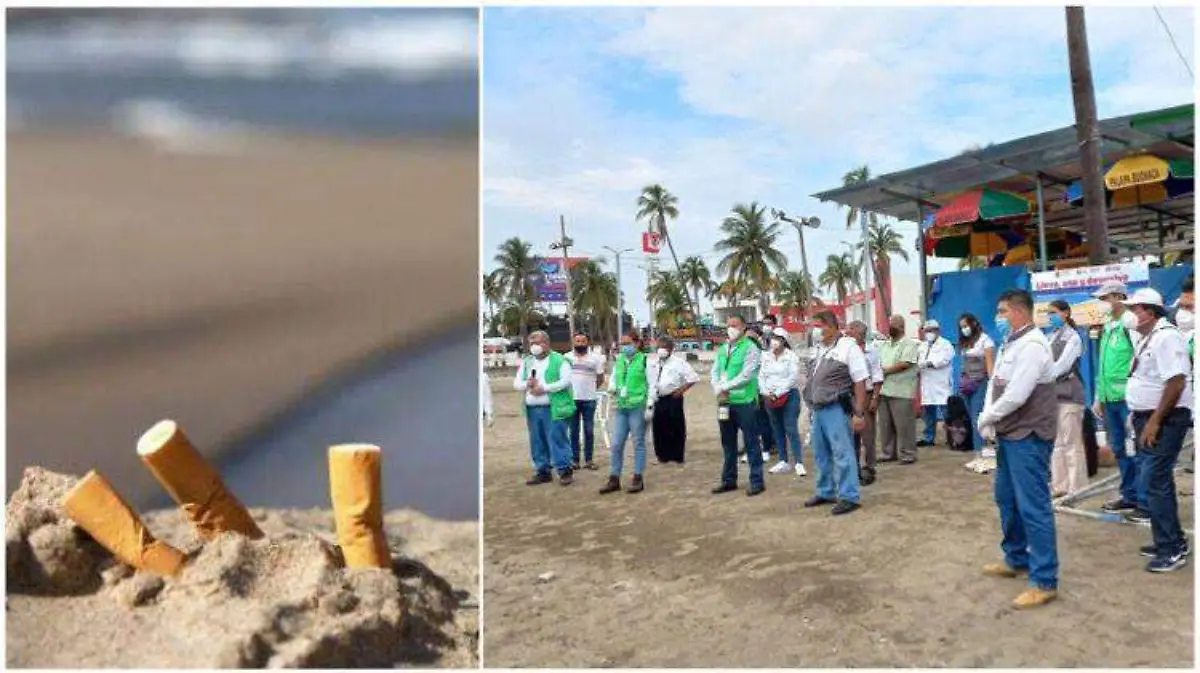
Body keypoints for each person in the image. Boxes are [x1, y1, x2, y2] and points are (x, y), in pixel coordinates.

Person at [976, 289, 1059, 609]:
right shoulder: (1012, 342)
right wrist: (988, 418)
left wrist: (987, 417)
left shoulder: (1034, 346)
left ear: (1019, 312)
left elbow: (1017, 395)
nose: (998, 318)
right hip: (1010, 434)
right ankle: (1016, 558)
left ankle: (1045, 580)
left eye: (1002, 312)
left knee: (1033, 506)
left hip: (1030, 435)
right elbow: (995, 385)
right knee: (1007, 499)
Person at [1123, 288, 1192, 572]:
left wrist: (1154, 421)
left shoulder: (1167, 337)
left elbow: (1176, 382)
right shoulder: (1148, 337)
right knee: (1158, 480)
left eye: (1134, 309)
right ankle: (1172, 539)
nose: (1130, 314)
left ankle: (1172, 549)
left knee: (1154, 480)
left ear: (1149, 312)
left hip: (1165, 418)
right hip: (1149, 417)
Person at [801, 311, 869, 515]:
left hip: (837, 408)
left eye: (818, 326)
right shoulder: (819, 349)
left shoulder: (848, 347)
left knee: (842, 452)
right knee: (821, 453)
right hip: (818, 409)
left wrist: (858, 413)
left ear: (831, 326)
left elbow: (860, 381)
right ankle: (826, 490)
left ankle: (850, 495)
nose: (815, 330)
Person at [1093, 281, 1148, 521]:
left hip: (1127, 398)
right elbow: (1104, 364)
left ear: (1117, 296)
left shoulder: (1129, 322)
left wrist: (1135, 392)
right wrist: (1098, 397)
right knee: (1120, 449)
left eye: (1105, 298)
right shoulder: (1108, 326)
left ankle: (1144, 501)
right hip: (1109, 398)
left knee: (1135, 448)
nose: (1102, 303)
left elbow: (1141, 357)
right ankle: (1129, 495)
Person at [711, 315, 766, 497]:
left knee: (751, 442)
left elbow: (747, 375)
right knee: (728, 443)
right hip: (725, 403)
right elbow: (715, 370)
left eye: (734, 325)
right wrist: (717, 387)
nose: (730, 329)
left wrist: (725, 386)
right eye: (728, 326)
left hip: (745, 402)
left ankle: (757, 481)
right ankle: (728, 480)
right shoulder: (723, 349)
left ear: (743, 327)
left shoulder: (750, 348)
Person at [513, 330, 576, 486]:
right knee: (537, 441)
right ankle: (543, 470)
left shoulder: (560, 360)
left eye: (538, 342)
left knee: (557, 439)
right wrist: (526, 384)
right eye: (532, 343)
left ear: (547, 343)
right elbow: (516, 383)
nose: (534, 346)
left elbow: (566, 381)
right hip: (533, 409)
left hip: (553, 407)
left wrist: (545, 388)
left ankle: (565, 470)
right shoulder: (527, 361)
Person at [600, 331, 653, 494]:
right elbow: (614, 379)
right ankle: (614, 477)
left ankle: (638, 477)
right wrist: (613, 388)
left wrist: (650, 405)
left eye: (628, 343)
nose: (624, 347)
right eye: (622, 343)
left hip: (638, 406)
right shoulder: (620, 361)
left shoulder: (645, 361)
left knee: (638, 442)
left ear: (637, 344)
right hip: (622, 407)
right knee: (616, 444)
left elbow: (652, 384)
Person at [1045, 300, 1088, 498]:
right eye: (1048, 313)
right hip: (1053, 395)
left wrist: (1041, 376)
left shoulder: (1074, 338)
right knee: (1057, 444)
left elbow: (1062, 366)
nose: (1050, 317)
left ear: (1065, 313)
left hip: (1070, 394)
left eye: (1053, 313)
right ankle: (1059, 485)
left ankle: (1076, 487)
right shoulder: (1050, 336)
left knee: (1071, 443)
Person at [759, 326, 806, 477]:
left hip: (788, 395)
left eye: (778, 339)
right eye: (773, 338)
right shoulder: (765, 356)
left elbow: (792, 378)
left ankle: (798, 462)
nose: (774, 342)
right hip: (770, 396)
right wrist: (766, 392)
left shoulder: (791, 356)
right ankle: (782, 460)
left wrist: (778, 393)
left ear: (784, 341)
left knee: (790, 427)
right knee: (776, 428)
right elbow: (761, 376)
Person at [877, 315, 920, 464]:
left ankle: (908, 454)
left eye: (894, 324)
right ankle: (888, 453)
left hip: (902, 390)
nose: (890, 327)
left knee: (904, 425)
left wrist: (885, 371)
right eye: (889, 324)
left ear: (902, 327)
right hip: (884, 389)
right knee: (885, 424)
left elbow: (905, 364)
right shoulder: (885, 345)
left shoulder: (910, 344)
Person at [958, 312, 997, 473]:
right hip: (967, 384)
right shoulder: (967, 342)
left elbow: (990, 366)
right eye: (961, 327)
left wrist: (993, 387)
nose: (964, 329)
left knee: (979, 419)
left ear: (974, 324)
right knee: (972, 420)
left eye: (966, 326)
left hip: (981, 383)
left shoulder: (985, 340)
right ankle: (977, 455)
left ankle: (985, 455)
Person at [651, 336, 699, 464]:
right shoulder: (654, 363)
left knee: (676, 426)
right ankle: (662, 455)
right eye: (659, 347)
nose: (661, 350)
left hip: (673, 397)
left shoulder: (679, 363)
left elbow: (693, 378)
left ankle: (677, 455)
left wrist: (680, 391)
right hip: (658, 398)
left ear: (671, 349)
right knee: (659, 426)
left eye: (664, 347)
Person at [847, 320, 883, 485]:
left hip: (867, 394)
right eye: (853, 331)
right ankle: (853, 467)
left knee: (868, 434)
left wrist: (875, 397)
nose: (854, 334)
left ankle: (870, 467)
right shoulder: (846, 351)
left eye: (858, 332)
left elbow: (877, 375)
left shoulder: (872, 351)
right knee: (851, 433)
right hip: (849, 395)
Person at [565, 332, 605, 471]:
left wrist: (590, 389)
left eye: (583, 341)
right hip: (572, 400)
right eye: (577, 341)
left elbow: (600, 378)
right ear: (573, 342)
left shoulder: (596, 358)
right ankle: (574, 460)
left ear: (587, 342)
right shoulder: (567, 358)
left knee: (589, 431)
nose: (580, 343)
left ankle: (589, 460)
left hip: (589, 399)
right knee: (573, 431)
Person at [917, 319, 955, 447]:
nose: (929, 333)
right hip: (927, 384)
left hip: (941, 383)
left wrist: (930, 363)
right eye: (927, 330)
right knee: (928, 414)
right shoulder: (922, 346)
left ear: (938, 331)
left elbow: (945, 359)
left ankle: (952, 437)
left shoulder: (946, 344)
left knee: (947, 413)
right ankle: (929, 438)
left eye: (931, 330)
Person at [746, 324, 776, 464]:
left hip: (759, 390)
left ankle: (766, 447)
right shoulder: (758, 352)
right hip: (751, 391)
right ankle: (762, 446)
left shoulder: (761, 353)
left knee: (762, 420)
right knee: (756, 420)